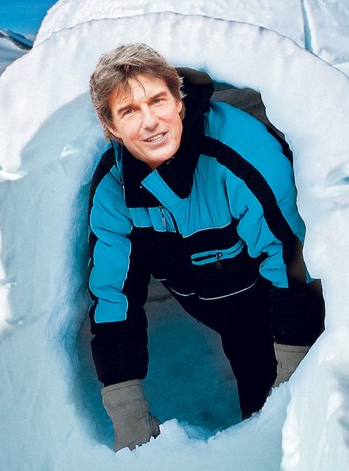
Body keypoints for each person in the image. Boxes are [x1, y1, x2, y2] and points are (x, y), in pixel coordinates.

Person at [86, 43, 324, 451]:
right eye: (128, 111)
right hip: (217, 307)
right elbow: (114, 294)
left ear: (179, 100)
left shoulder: (241, 154)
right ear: (110, 128)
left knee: (272, 404)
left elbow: (291, 261)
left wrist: (293, 379)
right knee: (246, 360)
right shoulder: (114, 187)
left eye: (157, 101)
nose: (150, 123)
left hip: (271, 302)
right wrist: (126, 406)